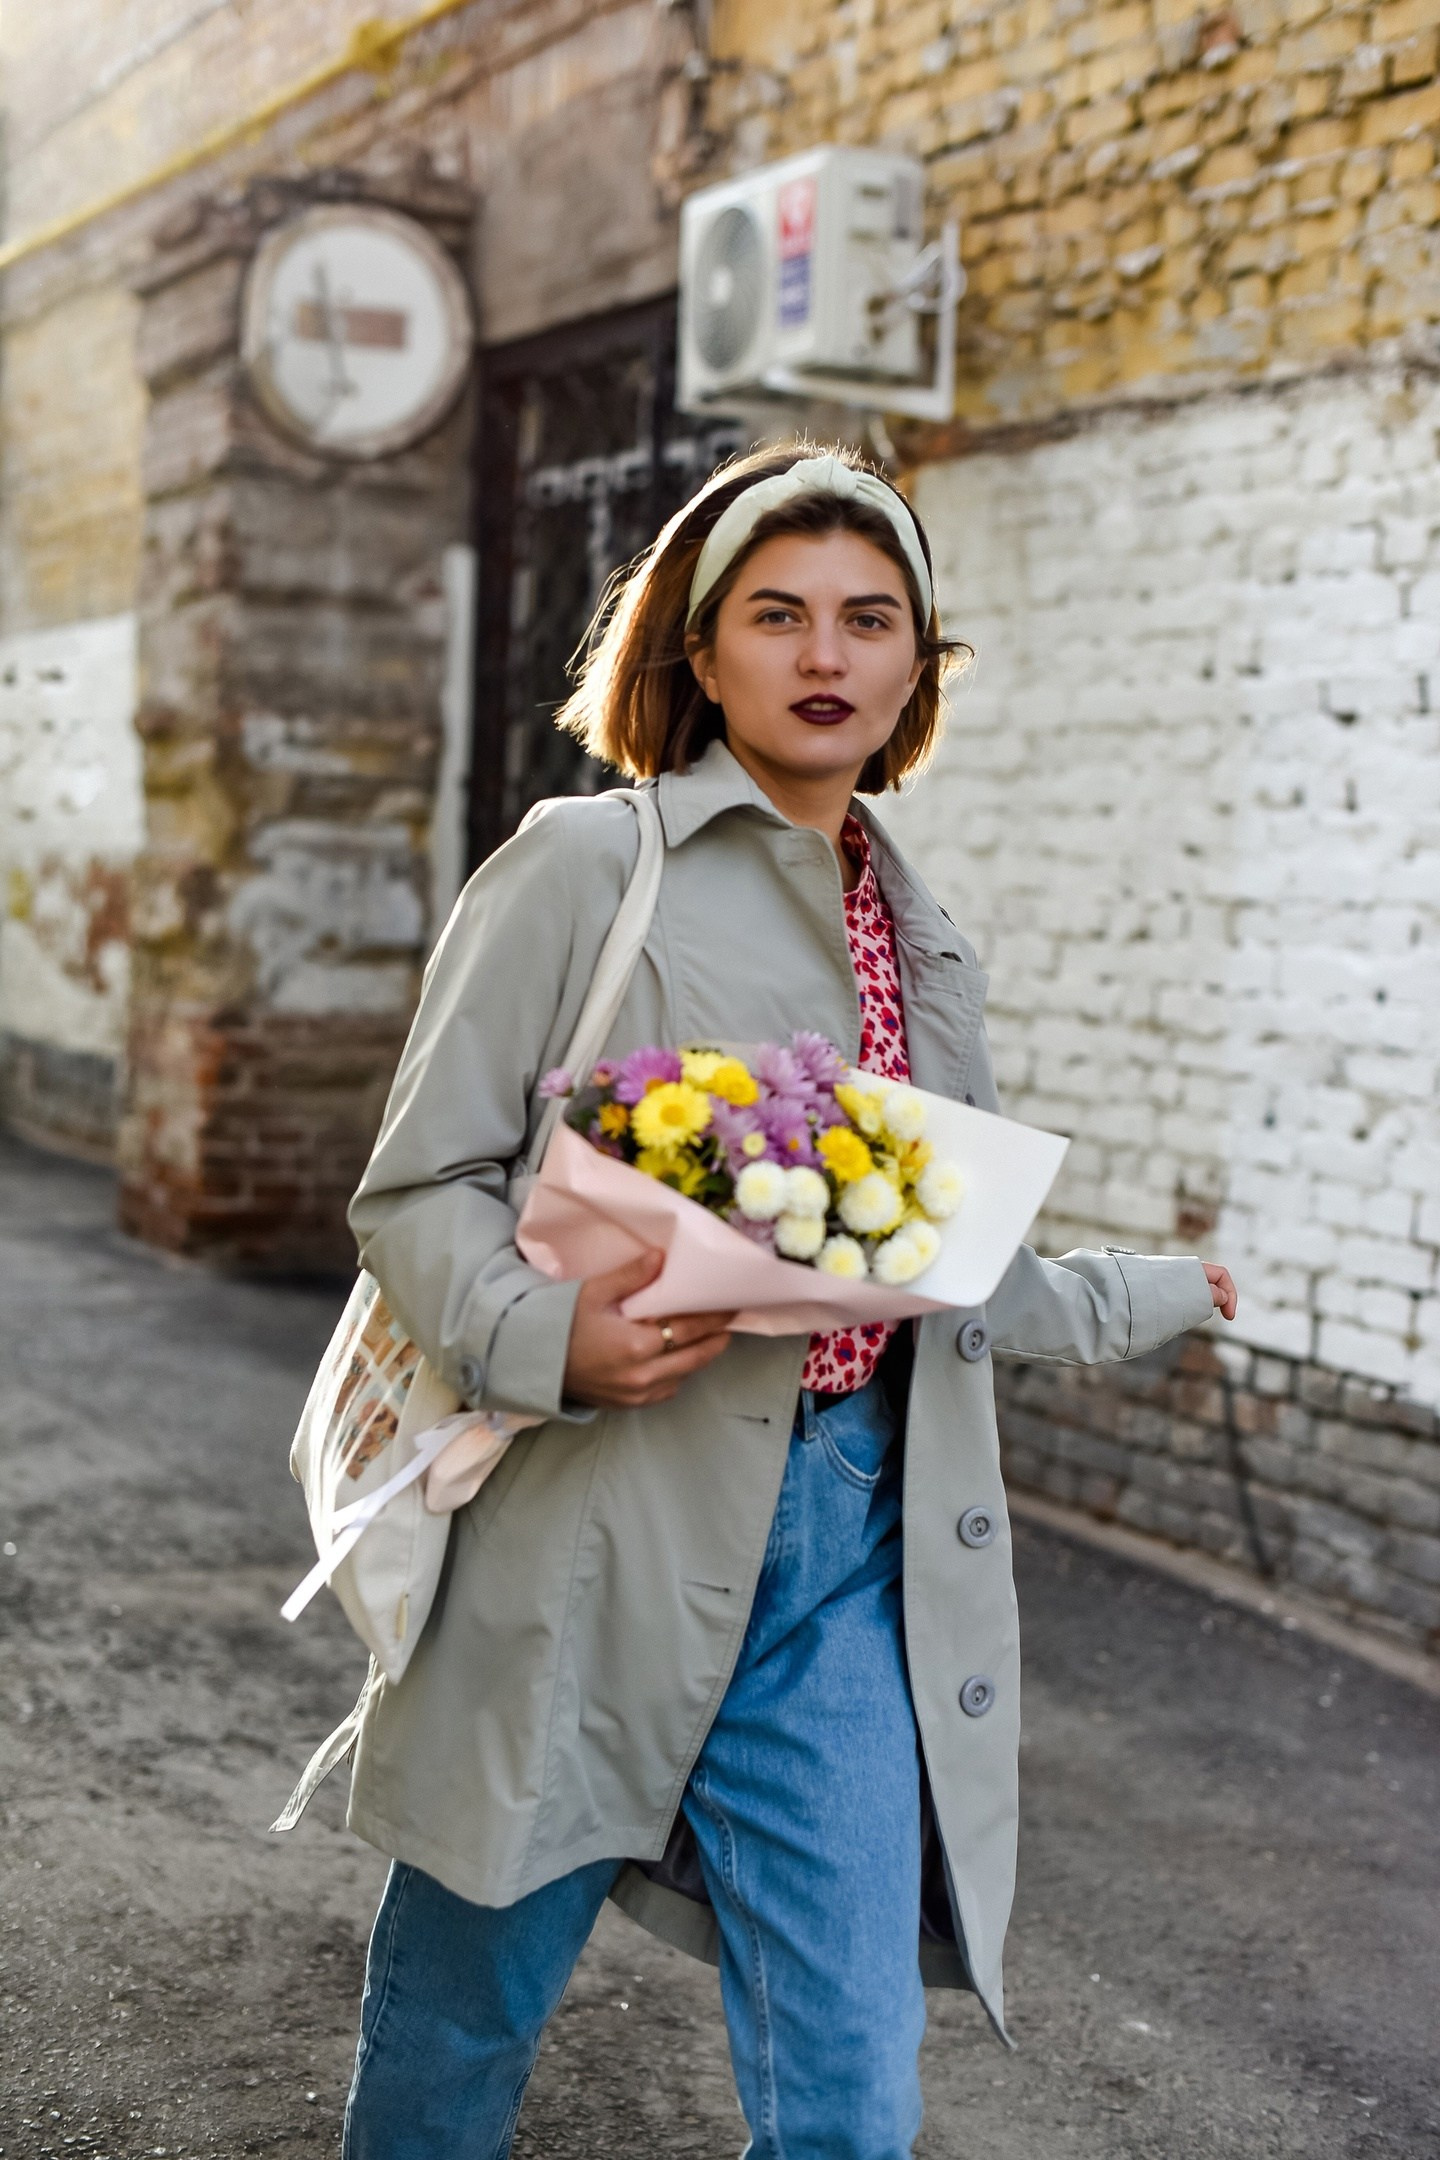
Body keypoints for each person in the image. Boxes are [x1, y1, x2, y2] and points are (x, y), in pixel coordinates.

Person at [333, 444, 1238, 2158]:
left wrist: (1154, 1296)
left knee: (849, 2096)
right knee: (462, 2022)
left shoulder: (921, 932)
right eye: (777, 615)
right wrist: (555, 1343)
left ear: (915, 667)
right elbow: (415, 1188)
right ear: (701, 650)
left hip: (846, 1551)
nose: (824, 654)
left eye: (867, 620)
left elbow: (926, 1263)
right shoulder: (589, 866)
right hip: (595, 1515)